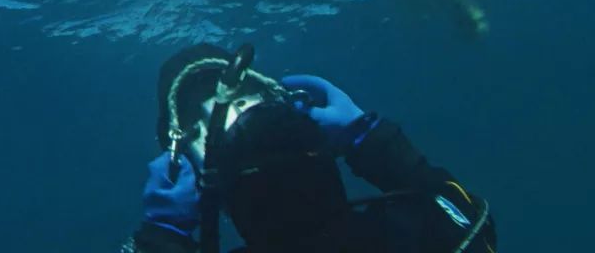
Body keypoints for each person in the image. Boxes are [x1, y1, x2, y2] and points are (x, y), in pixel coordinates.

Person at [120, 43, 496, 253]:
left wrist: (164, 236)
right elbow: (472, 227)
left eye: (247, 102)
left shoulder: (403, 230)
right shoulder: (404, 231)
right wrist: (371, 139)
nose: (234, 113)